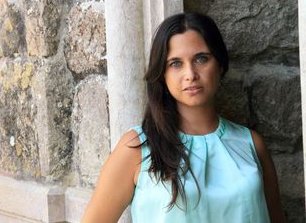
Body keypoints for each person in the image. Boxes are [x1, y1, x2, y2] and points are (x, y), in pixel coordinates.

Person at [81, 12, 285, 223]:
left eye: (201, 59)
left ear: (221, 65)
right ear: (162, 74)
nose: (190, 74)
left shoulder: (251, 145)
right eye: (175, 64)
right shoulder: (137, 148)